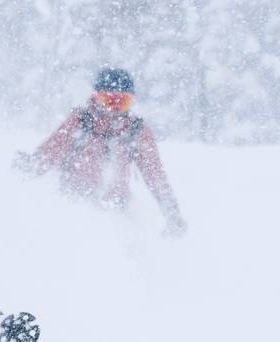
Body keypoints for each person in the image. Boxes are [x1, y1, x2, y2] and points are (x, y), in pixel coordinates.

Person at [15, 66, 187, 236]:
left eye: (123, 101)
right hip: (75, 207)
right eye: (109, 100)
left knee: (130, 244)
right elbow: (52, 150)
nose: (115, 109)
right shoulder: (81, 122)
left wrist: (172, 212)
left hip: (116, 210)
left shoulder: (135, 131)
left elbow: (155, 175)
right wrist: (29, 166)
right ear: (96, 98)